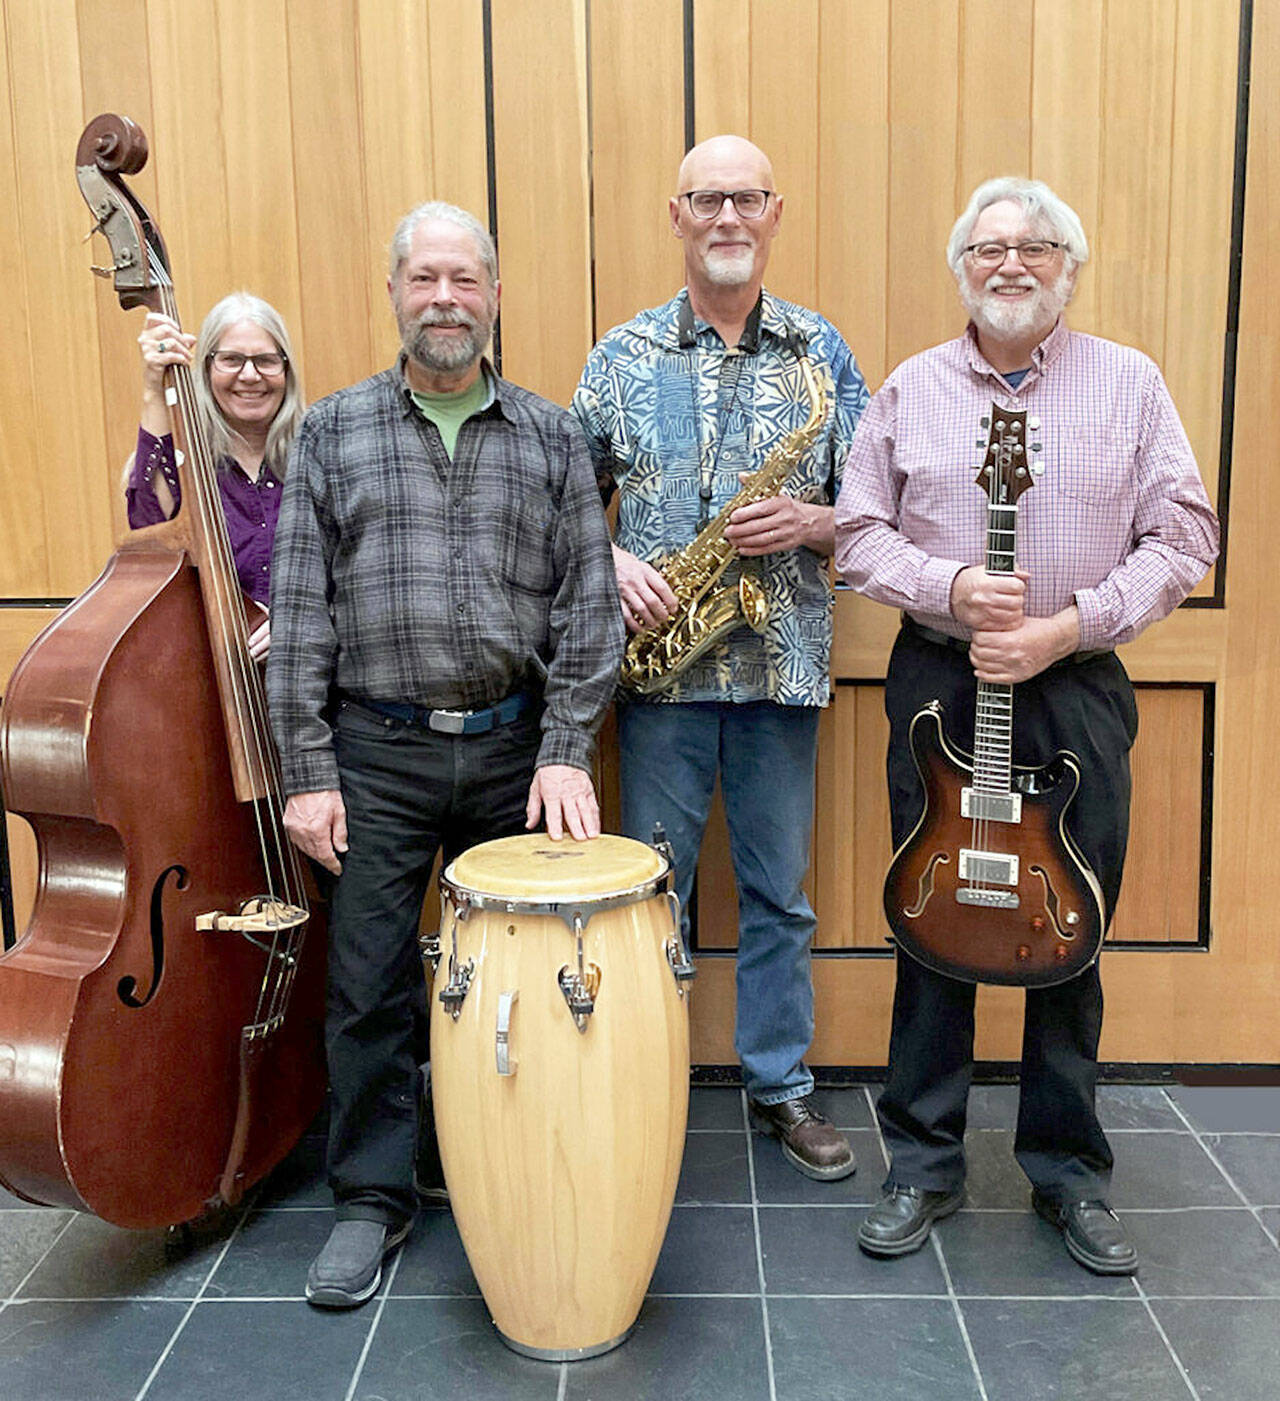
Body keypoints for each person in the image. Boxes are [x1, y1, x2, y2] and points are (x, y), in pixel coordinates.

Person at [834, 176, 1219, 1274]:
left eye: (1035, 247)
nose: (1011, 263)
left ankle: (1067, 1174)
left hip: (1071, 685)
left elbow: (1184, 536)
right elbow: (857, 533)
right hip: (939, 687)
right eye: (988, 247)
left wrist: (1066, 627)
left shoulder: (1128, 386)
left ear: (1068, 267)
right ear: (960, 267)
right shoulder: (911, 387)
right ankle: (919, 1163)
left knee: (1066, 926)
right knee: (932, 913)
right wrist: (950, 587)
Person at [267, 200, 623, 1309]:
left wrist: (565, 748)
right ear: (393, 296)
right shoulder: (330, 432)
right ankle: (372, 1199)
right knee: (368, 984)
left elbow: (590, 605)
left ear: (495, 297)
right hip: (376, 755)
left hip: (519, 752)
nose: (444, 300)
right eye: (424, 280)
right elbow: (300, 610)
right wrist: (308, 772)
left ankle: (499, 1176)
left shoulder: (554, 434)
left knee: (512, 989)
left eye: (464, 280)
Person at [573, 136, 867, 1180]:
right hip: (659, 678)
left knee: (778, 894)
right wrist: (607, 560)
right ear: (676, 215)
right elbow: (561, 503)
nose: (728, 217)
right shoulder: (620, 355)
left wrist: (813, 520)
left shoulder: (819, 353)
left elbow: (879, 514)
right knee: (649, 892)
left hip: (778, 669)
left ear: (774, 212)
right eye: (707, 200)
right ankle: (638, 1075)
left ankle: (781, 1088)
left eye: (746, 198)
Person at [127, 292, 304, 659]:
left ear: (286, 370)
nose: (250, 375)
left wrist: (301, 620)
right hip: (207, 679)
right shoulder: (182, 466)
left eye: (266, 361)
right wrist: (153, 389)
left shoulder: (319, 459)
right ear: (206, 369)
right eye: (231, 360)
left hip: (309, 686)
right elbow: (149, 537)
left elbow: (352, 577)